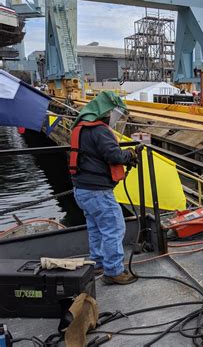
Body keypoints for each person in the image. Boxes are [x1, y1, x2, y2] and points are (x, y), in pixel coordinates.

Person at [69, 91, 139, 285]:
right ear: (105, 111)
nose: (112, 118)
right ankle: (114, 271)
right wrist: (130, 155)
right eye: (112, 113)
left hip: (81, 189)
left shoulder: (81, 127)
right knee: (114, 228)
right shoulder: (99, 130)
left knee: (95, 227)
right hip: (97, 191)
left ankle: (98, 262)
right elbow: (114, 155)